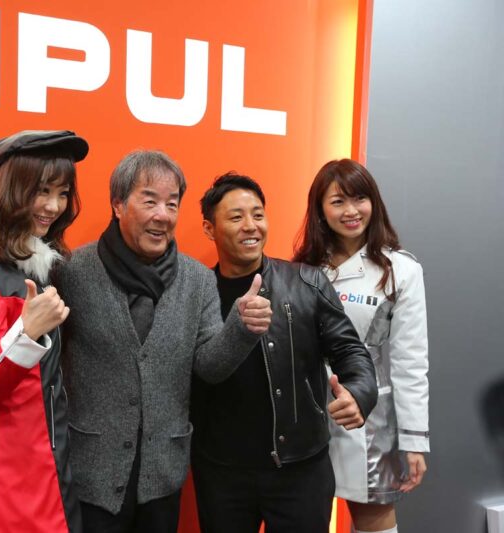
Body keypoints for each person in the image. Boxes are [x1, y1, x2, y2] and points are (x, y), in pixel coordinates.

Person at [52, 151, 272, 533]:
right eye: (150, 201)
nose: (163, 215)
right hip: (91, 473)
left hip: (162, 474)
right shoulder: (72, 272)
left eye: (172, 204)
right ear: (118, 205)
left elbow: (209, 366)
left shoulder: (197, 280)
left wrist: (240, 329)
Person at [190, 172, 378, 533]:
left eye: (258, 215)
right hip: (222, 473)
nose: (251, 226)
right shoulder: (197, 292)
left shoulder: (307, 282)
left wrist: (359, 392)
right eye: (236, 217)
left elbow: (350, 350)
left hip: (300, 468)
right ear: (209, 229)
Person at [0, 130, 89, 533]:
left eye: (62, 193)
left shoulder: (36, 269)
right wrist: (26, 333)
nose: (54, 206)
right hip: (3, 486)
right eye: (42, 191)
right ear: (11, 191)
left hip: (47, 470)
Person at [293, 159, 429, 533]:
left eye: (359, 199)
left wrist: (413, 440)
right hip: (306, 412)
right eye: (338, 201)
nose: (351, 211)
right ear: (320, 209)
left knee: (374, 521)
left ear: (374, 202)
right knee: (303, 517)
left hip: (371, 417)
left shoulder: (400, 270)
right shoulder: (303, 268)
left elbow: (410, 362)